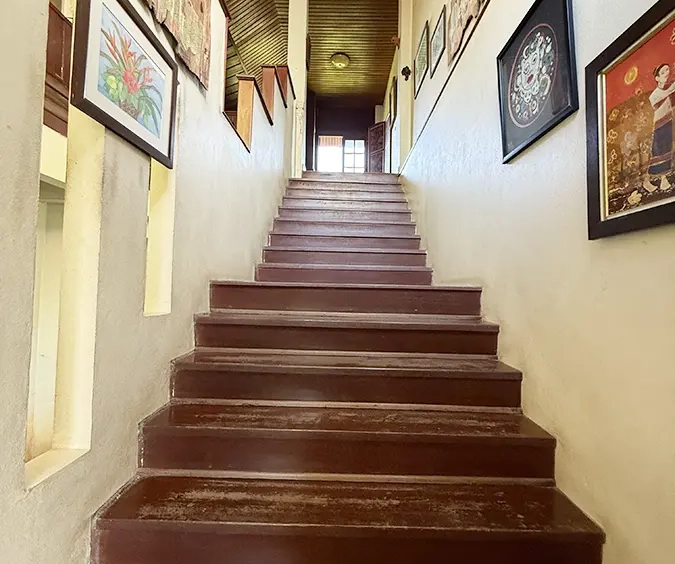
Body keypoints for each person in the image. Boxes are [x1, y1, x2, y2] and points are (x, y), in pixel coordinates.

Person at [644, 63, 675, 193]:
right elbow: (660, 101)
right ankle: (650, 180)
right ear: (657, 78)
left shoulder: (671, 88)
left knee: (668, 149)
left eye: (667, 70)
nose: (667, 73)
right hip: (660, 125)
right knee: (659, 151)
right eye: (663, 72)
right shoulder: (654, 95)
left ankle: (663, 179)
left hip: (670, 122)